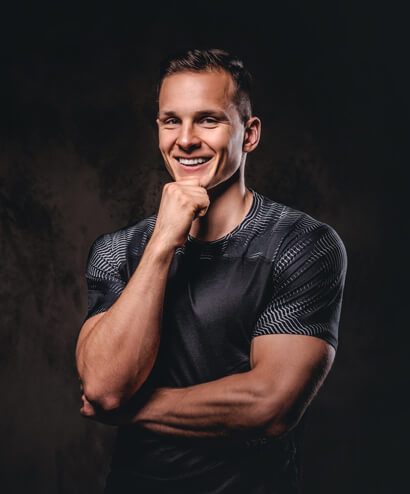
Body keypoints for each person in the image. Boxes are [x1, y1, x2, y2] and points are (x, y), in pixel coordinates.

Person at [76, 48, 348, 494]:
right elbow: (105, 387)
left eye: (207, 120)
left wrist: (132, 410)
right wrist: (162, 243)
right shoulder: (118, 250)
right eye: (171, 121)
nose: (185, 139)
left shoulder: (301, 244)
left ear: (249, 134)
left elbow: (270, 404)